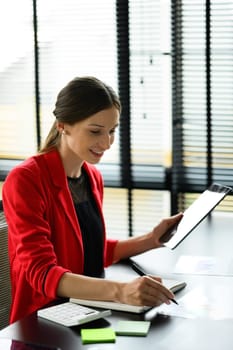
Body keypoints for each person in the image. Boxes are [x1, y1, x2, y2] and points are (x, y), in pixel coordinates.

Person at [2, 76, 183, 324]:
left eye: (112, 131)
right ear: (63, 125)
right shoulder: (26, 179)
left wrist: (151, 240)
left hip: (89, 309)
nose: (107, 143)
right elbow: (41, 274)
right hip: (45, 319)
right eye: (96, 131)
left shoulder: (92, 177)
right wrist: (121, 291)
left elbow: (91, 251)